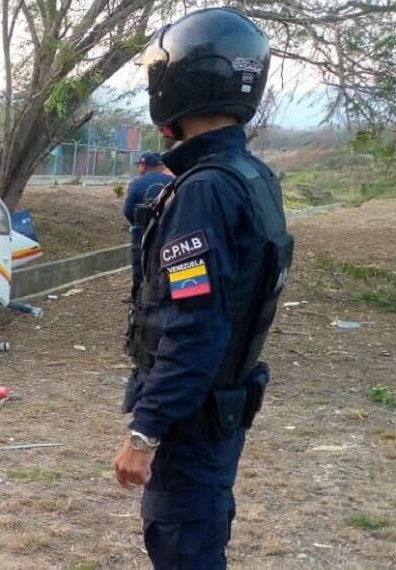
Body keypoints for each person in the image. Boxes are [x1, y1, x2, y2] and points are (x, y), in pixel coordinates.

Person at [112, 8, 295, 568]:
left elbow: (195, 328)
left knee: (183, 545)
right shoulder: (253, 176)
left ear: (178, 83)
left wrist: (145, 432)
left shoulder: (203, 192)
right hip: (221, 407)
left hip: (192, 419)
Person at [123, 152, 174, 298]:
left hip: (142, 231)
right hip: (167, 231)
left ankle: (138, 296)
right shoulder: (171, 181)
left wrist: (136, 223)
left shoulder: (136, 184)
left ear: (143, 165)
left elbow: (127, 210)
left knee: (140, 263)